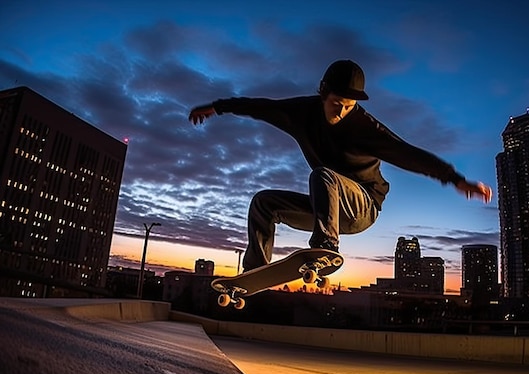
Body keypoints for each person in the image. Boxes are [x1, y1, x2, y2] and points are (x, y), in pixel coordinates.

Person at [189, 59, 492, 272]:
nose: (342, 111)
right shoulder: (300, 113)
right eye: (337, 102)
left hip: (362, 208)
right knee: (263, 203)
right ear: (323, 91)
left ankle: (325, 249)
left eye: (349, 106)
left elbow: (407, 154)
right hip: (327, 209)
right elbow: (260, 107)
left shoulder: (366, 128)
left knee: (324, 176)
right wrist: (217, 107)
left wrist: (455, 179)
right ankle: (254, 272)